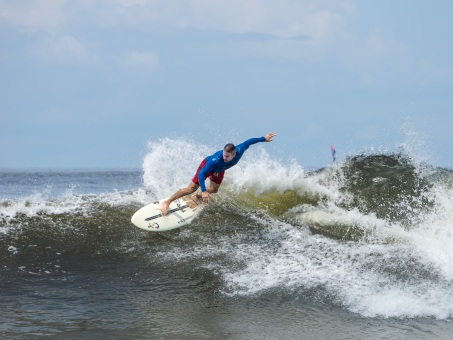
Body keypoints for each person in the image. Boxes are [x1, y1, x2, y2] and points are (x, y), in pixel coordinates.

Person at [160, 132, 276, 215]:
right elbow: (201, 174)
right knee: (190, 189)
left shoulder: (240, 150)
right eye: (224, 155)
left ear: (234, 154)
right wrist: (204, 190)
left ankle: (198, 196)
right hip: (207, 167)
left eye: (227, 156)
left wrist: (263, 138)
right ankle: (167, 202)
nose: (225, 157)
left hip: (220, 170)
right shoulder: (215, 160)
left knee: (214, 190)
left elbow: (249, 141)